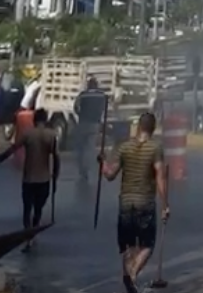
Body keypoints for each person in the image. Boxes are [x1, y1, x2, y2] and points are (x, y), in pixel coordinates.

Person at [101, 111, 168, 293]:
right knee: (147, 245)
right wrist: (165, 204)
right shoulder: (155, 148)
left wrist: (103, 163)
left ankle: (127, 276)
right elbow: (160, 177)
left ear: (138, 126)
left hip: (125, 203)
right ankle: (132, 274)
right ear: (153, 128)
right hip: (145, 202)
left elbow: (110, 175)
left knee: (128, 245)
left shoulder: (124, 147)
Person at [0, 106, 59, 249]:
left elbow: (12, 149)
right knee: (38, 209)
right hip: (44, 179)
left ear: (34, 120)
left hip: (29, 178)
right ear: (45, 120)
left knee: (27, 209)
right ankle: (33, 233)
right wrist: (55, 177)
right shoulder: (51, 136)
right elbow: (57, 158)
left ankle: (28, 236)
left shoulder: (28, 134)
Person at [73, 75, 108, 181]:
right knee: (90, 148)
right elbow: (105, 108)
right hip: (95, 124)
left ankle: (82, 169)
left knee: (81, 147)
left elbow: (75, 107)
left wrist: (80, 114)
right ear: (96, 85)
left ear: (88, 85)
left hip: (83, 123)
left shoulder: (83, 95)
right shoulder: (101, 95)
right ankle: (86, 169)